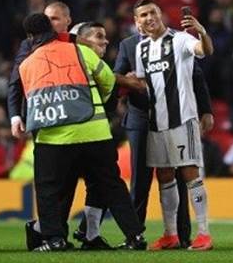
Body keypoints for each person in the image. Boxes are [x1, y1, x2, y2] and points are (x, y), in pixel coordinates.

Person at [15, 13, 145, 252]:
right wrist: (94, 104)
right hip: (94, 132)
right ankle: (135, 236)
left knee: (49, 191)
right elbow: (107, 81)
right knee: (112, 185)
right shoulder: (80, 51)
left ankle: (54, 240)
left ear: (31, 37)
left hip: (53, 140)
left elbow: (31, 103)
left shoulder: (26, 65)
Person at [114, 18, 214, 248]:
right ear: (137, 22)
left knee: (190, 173)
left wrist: (202, 33)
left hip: (182, 119)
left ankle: (204, 232)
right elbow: (142, 83)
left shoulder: (180, 39)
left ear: (159, 16)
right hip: (154, 122)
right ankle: (170, 234)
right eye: (143, 15)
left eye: (152, 12)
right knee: (165, 176)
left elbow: (203, 50)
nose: (149, 18)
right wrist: (124, 81)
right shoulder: (140, 48)